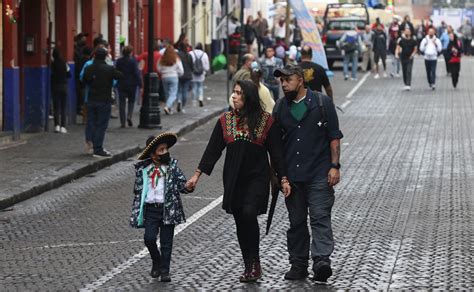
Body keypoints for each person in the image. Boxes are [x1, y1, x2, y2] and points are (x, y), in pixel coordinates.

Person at [186, 80, 290, 283]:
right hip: (234, 178)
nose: (233, 96)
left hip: (257, 177)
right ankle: (248, 263)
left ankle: (255, 260)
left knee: (249, 213)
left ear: (248, 97)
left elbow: (277, 154)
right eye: (233, 92)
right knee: (240, 220)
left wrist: (283, 178)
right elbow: (212, 151)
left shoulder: (266, 122)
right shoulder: (225, 121)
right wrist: (196, 176)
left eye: (239, 93)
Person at [272, 64, 343, 283]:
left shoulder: (322, 103)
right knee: (296, 222)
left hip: (320, 174)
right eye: (281, 81)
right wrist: (279, 176)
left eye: (288, 79)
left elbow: (334, 136)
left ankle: (321, 261)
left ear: (300, 80)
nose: (284, 84)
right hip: (293, 178)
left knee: (320, 218)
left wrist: (335, 166)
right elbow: (275, 146)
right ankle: (298, 264)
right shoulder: (280, 108)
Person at [130, 132, 193, 282]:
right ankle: (156, 261)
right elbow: (137, 190)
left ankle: (165, 271)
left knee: (166, 243)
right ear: (153, 155)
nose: (165, 152)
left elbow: (181, 185)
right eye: (161, 150)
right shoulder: (143, 170)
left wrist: (188, 186)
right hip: (151, 209)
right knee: (149, 238)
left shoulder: (172, 167)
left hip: (168, 209)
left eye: (166, 149)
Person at [83, 47, 123, 157]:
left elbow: (84, 80)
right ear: (105, 56)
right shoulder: (108, 69)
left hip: (91, 98)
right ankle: (98, 147)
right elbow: (119, 75)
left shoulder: (89, 68)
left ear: (94, 55)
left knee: (90, 121)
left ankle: (90, 142)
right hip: (104, 99)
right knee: (101, 124)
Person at [115, 45, 142, 127]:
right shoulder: (133, 61)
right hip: (132, 84)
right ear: (131, 52)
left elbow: (116, 71)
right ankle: (129, 115)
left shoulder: (119, 61)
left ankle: (122, 122)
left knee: (122, 103)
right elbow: (136, 73)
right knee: (131, 101)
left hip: (121, 84)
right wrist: (140, 84)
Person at [158, 45, 184, 115]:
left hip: (164, 77)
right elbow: (181, 70)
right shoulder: (176, 59)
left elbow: (159, 68)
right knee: (173, 94)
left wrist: (163, 72)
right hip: (174, 76)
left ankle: (170, 109)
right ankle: (167, 107)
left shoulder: (162, 59)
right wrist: (178, 74)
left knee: (167, 94)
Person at [51, 48, 71, 134]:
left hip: (55, 86)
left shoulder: (52, 64)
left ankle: (56, 126)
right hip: (64, 86)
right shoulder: (64, 63)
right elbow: (69, 75)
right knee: (63, 107)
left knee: (56, 107)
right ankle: (63, 126)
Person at [190, 43, 210, 107]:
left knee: (194, 87)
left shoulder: (191, 53)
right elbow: (207, 67)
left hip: (193, 73)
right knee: (200, 87)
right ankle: (200, 98)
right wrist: (205, 70)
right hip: (201, 73)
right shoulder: (204, 54)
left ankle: (194, 101)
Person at [177, 42, 194, 113]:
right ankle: (183, 106)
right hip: (187, 75)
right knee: (185, 91)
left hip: (179, 74)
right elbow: (192, 66)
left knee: (179, 89)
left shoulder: (177, 55)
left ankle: (179, 100)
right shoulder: (189, 55)